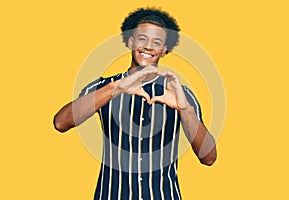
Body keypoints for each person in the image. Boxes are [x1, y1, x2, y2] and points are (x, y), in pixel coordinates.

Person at [53, 7, 217, 200]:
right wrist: (115, 89)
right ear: (130, 41)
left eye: (156, 42)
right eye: (142, 38)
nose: (148, 46)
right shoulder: (104, 87)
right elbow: (60, 123)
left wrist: (184, 109)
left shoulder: (180, 94)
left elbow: (209, 157)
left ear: (164, 50)